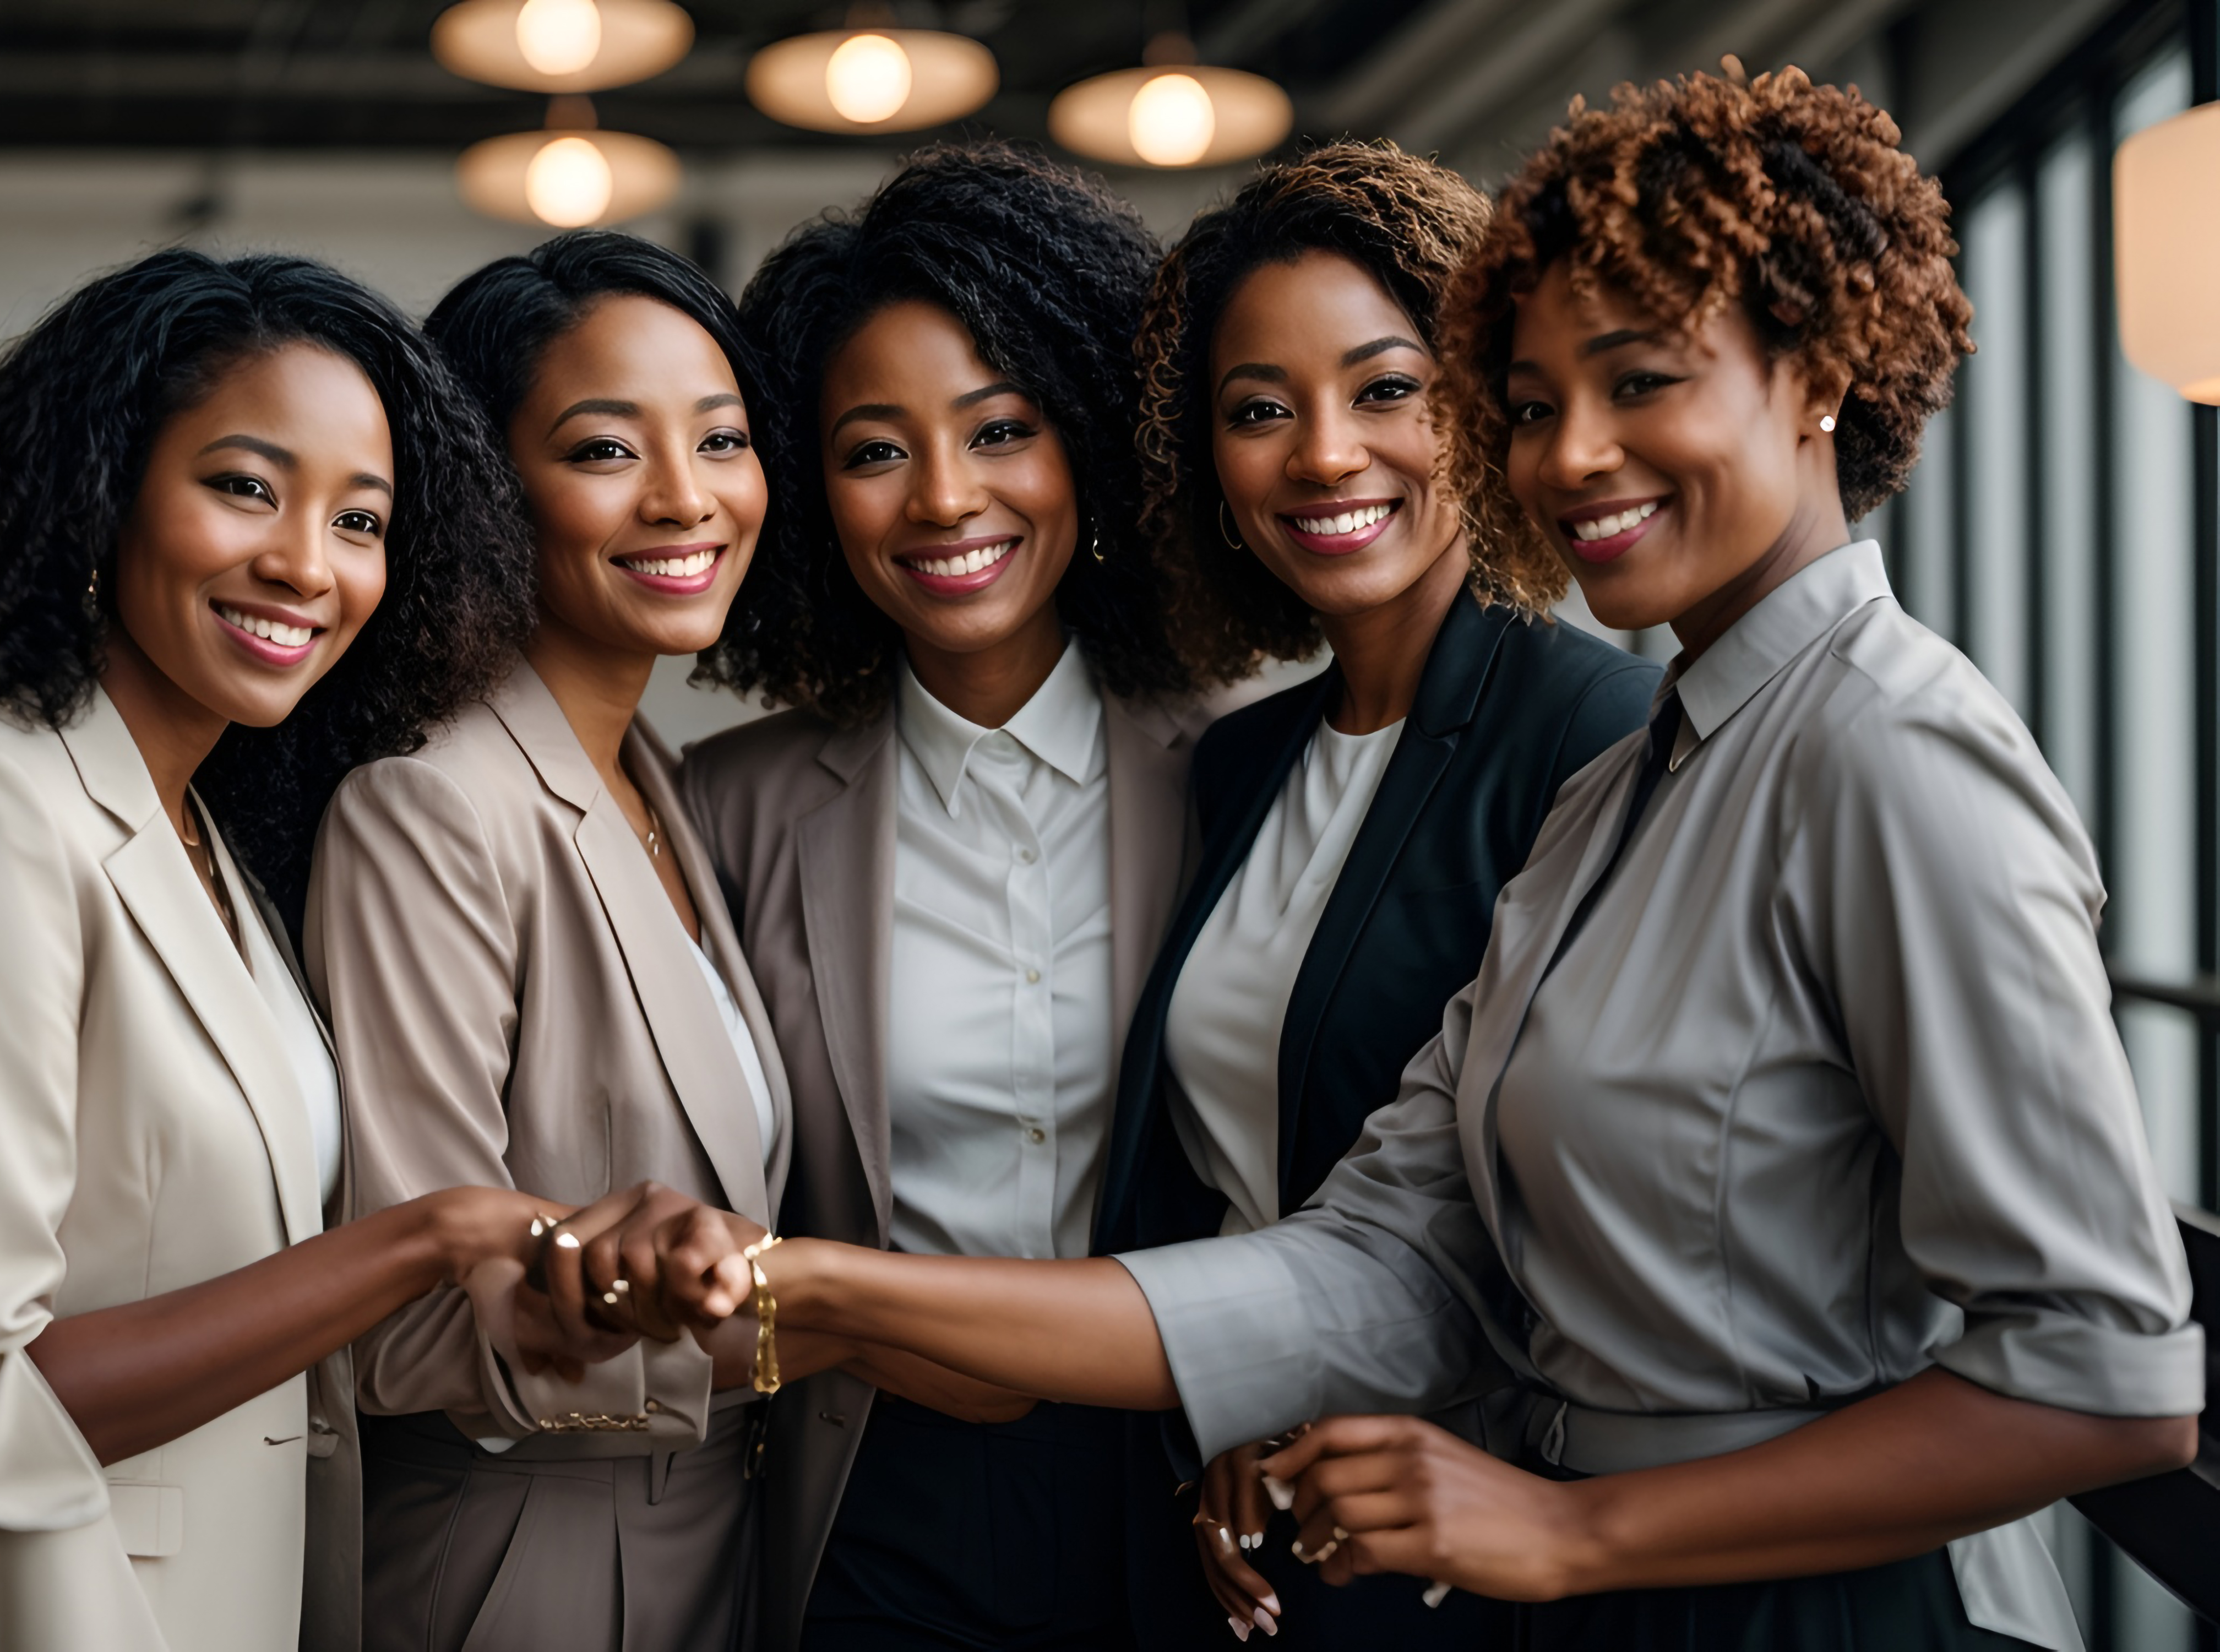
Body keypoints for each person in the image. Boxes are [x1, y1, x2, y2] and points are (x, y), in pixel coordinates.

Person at [584, 67, 2204, 1652]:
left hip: (1814, 1597)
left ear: (1817, 373)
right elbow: (1381, 1255)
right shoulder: (1630, 790)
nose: (1569, 456)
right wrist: (811, 1292)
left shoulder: (1886, 751)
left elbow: (2101, 1379)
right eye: (1527, 405)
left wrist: (1571, 1524)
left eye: (1640, 381)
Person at [0, 249, 581, 1652]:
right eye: (244, 486)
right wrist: (426, 1237)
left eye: (362, 519)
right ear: (101, 493)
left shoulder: (208, 842)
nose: (306, 561)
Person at [1108, 140, 1657, 1646]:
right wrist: (1225, 1401)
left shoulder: (1592, 734)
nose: (1323, 455)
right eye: (1258, 411)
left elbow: (1583, 1203)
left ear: (1484, 398)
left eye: (1385, 389)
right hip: (1245, 1526)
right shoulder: (1239, 764)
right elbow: (1225, 1176)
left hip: (1466, 1533)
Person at [679, 142, 1214, 1651]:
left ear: (1092, 448)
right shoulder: (731, 814)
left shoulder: (1239, 780)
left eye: (1001, 429)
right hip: (872, 1493)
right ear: (808, 493)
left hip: (1190, 1477)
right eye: (872, 449)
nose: (944, 498)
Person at [303, 232, 791, 1652]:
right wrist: (835, 1324)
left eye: (722, 440)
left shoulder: (660, 782)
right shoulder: (432, 803)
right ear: (487, 489)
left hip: (705, 1537)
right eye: (603, 451)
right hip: (528, 1564)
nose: (685, 497)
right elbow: (405, 1322)